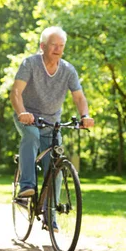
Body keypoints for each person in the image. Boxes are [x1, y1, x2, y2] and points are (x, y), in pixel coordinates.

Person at [10, 26, 95, 229]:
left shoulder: (68, 70)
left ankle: (51, 214)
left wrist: (85, 115)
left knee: (55, 166)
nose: (57, 49)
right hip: (28, 118)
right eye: (53, 45)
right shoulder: (29, 64)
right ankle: (27, 187)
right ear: (43, 46)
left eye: (61, 46)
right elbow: (16, 92)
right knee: (30, 136)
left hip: (52, 122)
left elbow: (79, 97)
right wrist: (22, 112)